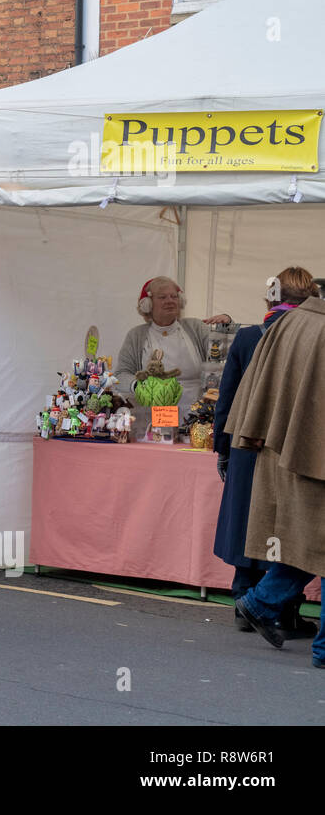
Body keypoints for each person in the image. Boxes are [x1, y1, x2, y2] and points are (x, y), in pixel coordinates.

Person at [213, 267, 320, 634]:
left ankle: (251, 601)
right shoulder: (310, 333)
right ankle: (277, 609)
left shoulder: (253, 336)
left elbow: (226, 398)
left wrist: (223, 447)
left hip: (251, 442)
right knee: (291, 531)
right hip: (292, 447)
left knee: (252, 523)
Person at [114, 276, 232, 418]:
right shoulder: (136, 335)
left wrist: (227, 326)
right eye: (162, 297)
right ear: (148, 305)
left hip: (196, 411)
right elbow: (121, 374)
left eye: (174, 296)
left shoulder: (196, 327)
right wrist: (138, 386)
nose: (170, 301)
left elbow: (226, 353)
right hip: (152, 417)